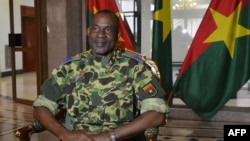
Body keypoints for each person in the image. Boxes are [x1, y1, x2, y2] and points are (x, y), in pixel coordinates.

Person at [32, 9, 168, 141]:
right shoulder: (70, 67)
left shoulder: (134, 68)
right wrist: (64, 134)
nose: (101, 35)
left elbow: (157, 115)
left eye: (108, 30)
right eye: (95, 28)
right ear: (89, 32)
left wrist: (110, 136)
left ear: (118, 35)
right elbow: (40, 107)